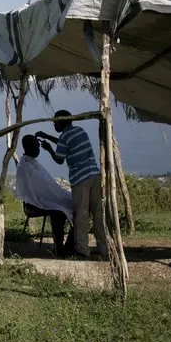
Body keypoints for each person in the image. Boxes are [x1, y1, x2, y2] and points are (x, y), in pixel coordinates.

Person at [36, 110, 107, 258]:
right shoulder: (79, 131)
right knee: (98, 213)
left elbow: (60, 159)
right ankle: (104, 248)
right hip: (94, 174)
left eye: (55, 122)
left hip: (80, 178)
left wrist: (49, 149)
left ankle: (82, 250)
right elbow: (66, 144)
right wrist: (48, 137)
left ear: (61, 122)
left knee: (81, 214)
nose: (54, 125)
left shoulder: (64, 137)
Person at [15, 134, 75, 257]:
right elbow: (34, 191)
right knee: (59, 212)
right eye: (36, 147)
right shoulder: (25, 165)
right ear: (29, 147)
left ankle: (69, 245)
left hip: (43, 199)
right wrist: (52, 197)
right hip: (35, 203)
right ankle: (59, 249)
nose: (38, 150)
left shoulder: (31, 163)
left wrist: (56, 195)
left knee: (76, 205)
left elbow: (46, 186)